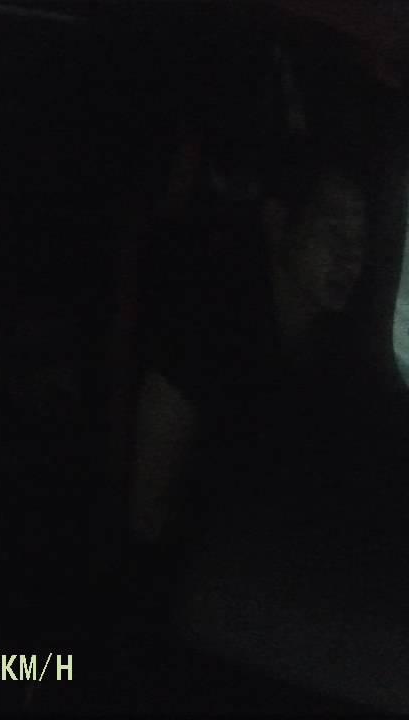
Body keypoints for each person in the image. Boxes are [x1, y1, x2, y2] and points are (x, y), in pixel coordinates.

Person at [128, 149, 368, 585]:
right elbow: (147, 506)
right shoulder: (204, 329)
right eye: (334, 231)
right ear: (278, 221)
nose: (351, 257)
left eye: (360, 239)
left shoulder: (338, 352)